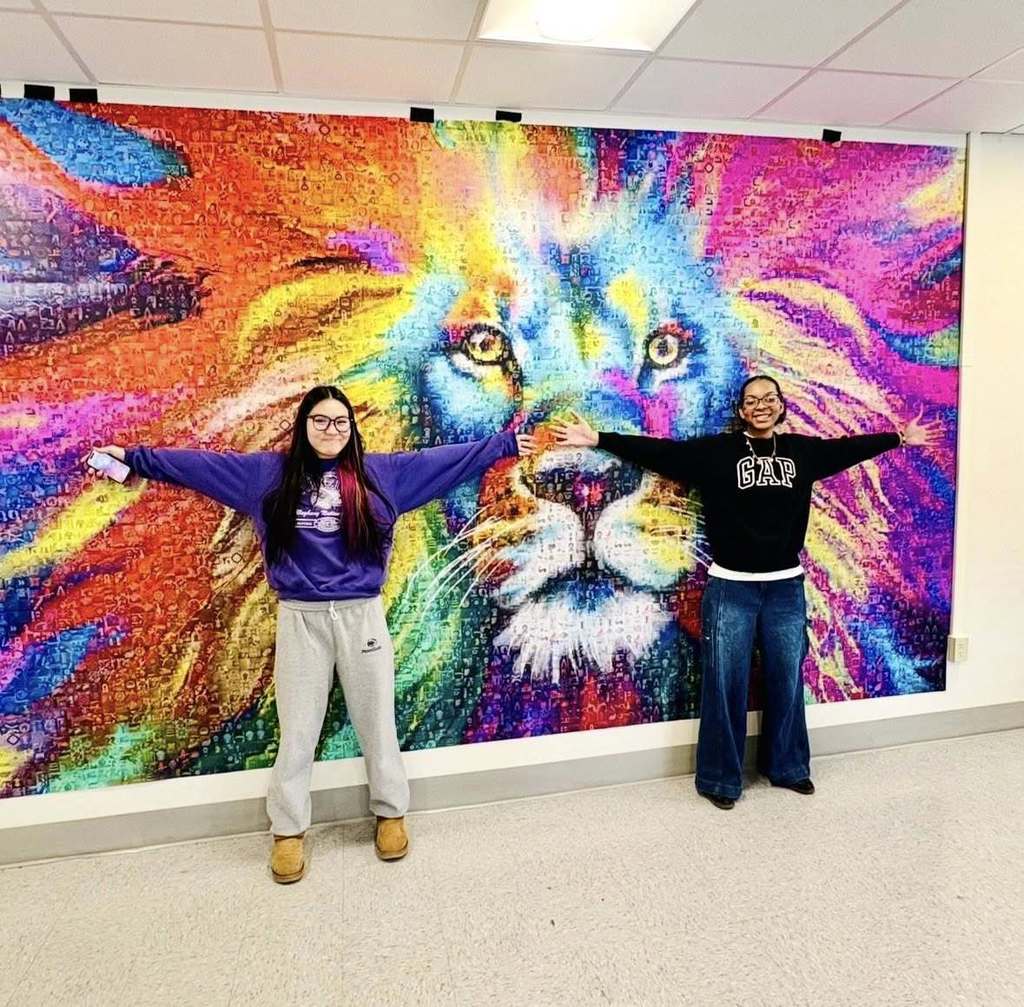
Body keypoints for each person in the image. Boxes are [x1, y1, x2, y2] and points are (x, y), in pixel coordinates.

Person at [92, 385, 535, 881]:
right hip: (300, 618)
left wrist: (507, 444)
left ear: (351, 428)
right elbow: (199, 466)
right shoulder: (267, 476)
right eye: (321, 420)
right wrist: (133, 458)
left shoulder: (382, 475)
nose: (331, 430)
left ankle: (391, 813)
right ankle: (287, 831)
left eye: (341, 422)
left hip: (362, 617)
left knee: (377, 725)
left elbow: (451, 460)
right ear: (304, 426)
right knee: (298, 732)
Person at [551, 375, 939, 810]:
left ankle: (788, 767)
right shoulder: (717, 452)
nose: (761, 405)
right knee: (725, 683)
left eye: (769, 398)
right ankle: (720, 778)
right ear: (741, 411)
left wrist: (898, 437)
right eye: (751, 400)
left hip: (785, 588)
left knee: (787, 679)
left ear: (780, 406)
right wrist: (599, 438)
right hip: (730, 588)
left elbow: (848, 449)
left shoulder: (802, 452)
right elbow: (662, 452)